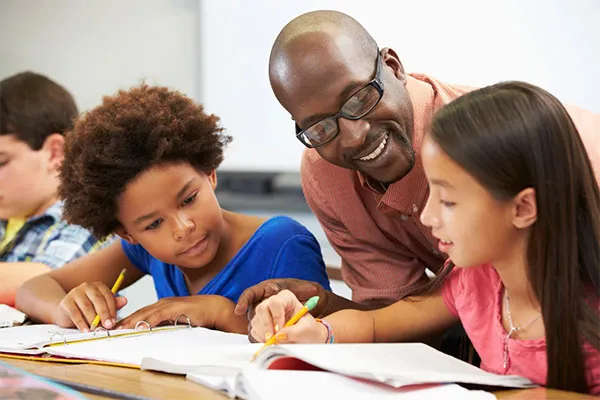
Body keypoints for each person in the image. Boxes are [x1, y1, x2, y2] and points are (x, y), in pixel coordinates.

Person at [234, 10, 599, 318]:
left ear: (393, 67)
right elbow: (397, 314)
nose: (354, 136)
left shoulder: (511, 140)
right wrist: (326, 304)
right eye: (321, 126)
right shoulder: (325, 174)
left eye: (360, 98)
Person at [248, 81, 600, 394]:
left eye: (448, 200)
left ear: (522, 208)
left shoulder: (590, 313)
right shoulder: (475, 281)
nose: (428, 217)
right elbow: (376, 323)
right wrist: (320, 332)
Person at [15, 84, 330, 333]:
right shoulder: (143, 251)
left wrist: (218, 312)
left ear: (210, 173)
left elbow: (315, 340)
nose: (182, 228)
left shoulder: (282, 243)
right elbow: (34, 288)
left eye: (189, 199)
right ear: (127, 232)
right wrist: (67, 308)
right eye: (153, 224)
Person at [0, 71, 103, 306]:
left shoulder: (88, 218)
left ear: (55, 152)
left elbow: (50, 280)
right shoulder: (7, 216)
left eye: (1, 162)